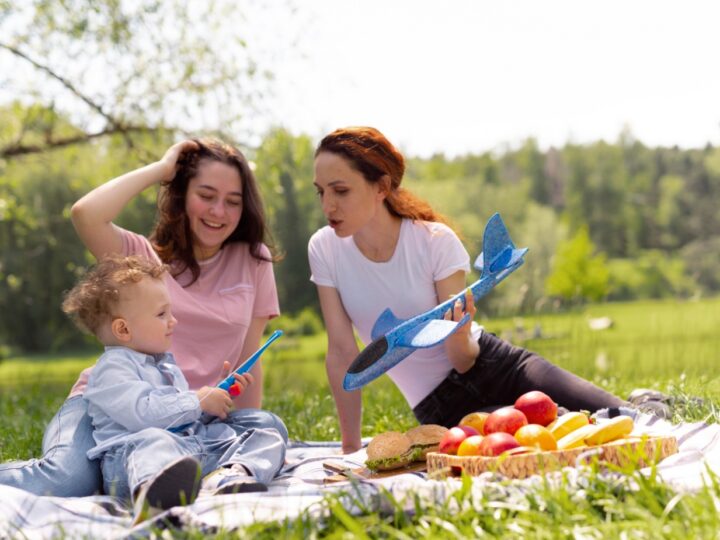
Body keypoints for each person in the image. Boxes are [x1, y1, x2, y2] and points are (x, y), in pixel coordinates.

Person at [308, 126, 629, 454]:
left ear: (382, 186)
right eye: (321, 192)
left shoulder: (434, 241)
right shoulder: (325, 249)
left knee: (622, 416)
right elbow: (342, 354)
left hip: (494, 363)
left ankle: (652, 401)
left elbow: (463, 360)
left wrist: (458, 333)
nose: (328, 206)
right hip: (443, 407)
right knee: (555, 438)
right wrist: (349, 448)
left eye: (341, 191)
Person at [0, 138, 287, 496]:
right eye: (207, 195)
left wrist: (235, 427)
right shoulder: (141, 264)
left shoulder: (253, 260)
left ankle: (191, 476)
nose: (219, 212)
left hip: (192, 416)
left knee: (267, 426)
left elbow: (249, 357)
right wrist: (162, 169)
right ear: (181, 195)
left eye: (233, 201)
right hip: (114, 407)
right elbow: (85, 213)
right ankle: (128, 470)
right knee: (68, 480)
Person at [62, 255, 285, 520]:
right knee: (155, 439)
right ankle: (152, 493)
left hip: (189, 449)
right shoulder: (112, 369)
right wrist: (197, 401)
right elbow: (144, 414)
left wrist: (217, 398)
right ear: (123, 329)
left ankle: (231, 474)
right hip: (132, 462)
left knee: (265, 425)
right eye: (161, 314)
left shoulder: (165, 364)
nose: (173, 321)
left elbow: (181, 419)